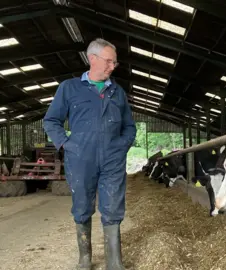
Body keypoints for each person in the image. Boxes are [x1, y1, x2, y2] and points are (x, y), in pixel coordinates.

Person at [43, 38, 136, 270]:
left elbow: (130, 126)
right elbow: (51, 120)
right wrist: (66, 144)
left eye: (115, 62)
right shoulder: (69, 88)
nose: (112, 66)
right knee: (82, 205)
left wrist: (121, 146)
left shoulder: (117, 92)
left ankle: (114, 262)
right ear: (92, 59)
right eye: (109, 61)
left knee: (113, 207)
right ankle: (85, 258)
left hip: (112, 159)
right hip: (80, 158)